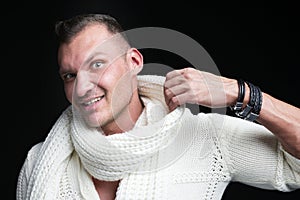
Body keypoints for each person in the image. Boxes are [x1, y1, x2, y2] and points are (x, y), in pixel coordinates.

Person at [16, 13, 300, 200]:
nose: (81, 87)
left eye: (97, 65)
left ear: (134, 62)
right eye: (70, 75)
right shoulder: (40, 162)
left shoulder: (203, 139)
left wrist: (242, 93)